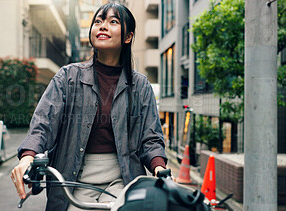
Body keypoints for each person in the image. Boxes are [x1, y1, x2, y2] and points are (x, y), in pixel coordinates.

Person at [11, 3, 168, 210]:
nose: (102, 26)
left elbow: (151, 137)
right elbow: (43, 123)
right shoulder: (67, 77)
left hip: (123, 176)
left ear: (128, 37)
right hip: (73, 177)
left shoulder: (140, 85)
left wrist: (159, 169)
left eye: (113, 22)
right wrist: (28, 158)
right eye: (98, 21)